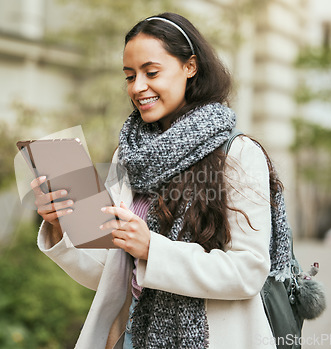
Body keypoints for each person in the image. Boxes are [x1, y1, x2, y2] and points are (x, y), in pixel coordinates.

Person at [31, 12, 292, 349]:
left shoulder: (238, 154)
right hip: (131, 337)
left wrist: (152, 249)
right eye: (129, 76)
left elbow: (248, 272)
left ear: (190, 67)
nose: (138, 87)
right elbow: (109, 275)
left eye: (151, 72)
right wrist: (58, 226)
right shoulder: (128, 155)